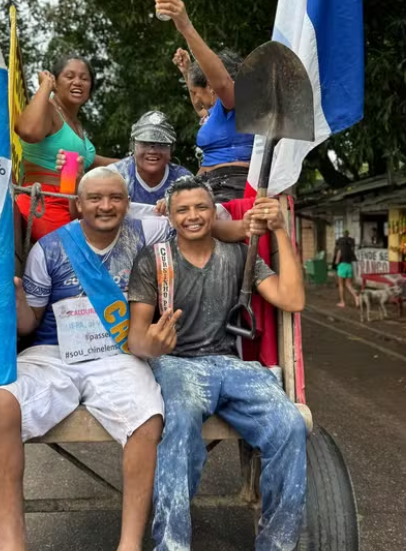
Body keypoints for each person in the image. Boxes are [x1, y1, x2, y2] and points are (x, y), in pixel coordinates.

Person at [0, 167, 267, 550]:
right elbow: (31, 324)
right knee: (3, 404)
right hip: (54, 353)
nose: (105, 206)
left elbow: (200, 227)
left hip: (118, 355)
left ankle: (129, 544)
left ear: (128, 204)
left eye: (115, 198)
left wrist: (243, 230)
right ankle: (11, 542)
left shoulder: (149, 232)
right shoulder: (49, 249)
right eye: (95, 198)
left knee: (147, 418)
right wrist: (20, 302)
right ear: (79, 205)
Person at [127, 176, 306, 550]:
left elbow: (291, 299)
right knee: (179, 425)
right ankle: (171, 545)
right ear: (171, 217)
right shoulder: (155, 259)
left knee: (290, 424)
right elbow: (136, 337)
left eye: (201, 207)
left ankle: (277, 544)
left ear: (213, 211)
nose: (193, 216)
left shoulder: (239, 255)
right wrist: (155, 343)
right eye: (183, 210)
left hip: (228, 363)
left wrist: (280, 232)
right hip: (175, 363)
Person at [156, 0, 255, 202]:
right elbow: (199, 107)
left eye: (197, 92)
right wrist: (187, 71)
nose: (197, 100)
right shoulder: (215, 113)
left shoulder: (236, 101)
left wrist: (185, 26)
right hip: (209, 186)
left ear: (211, 87)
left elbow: (222, 82)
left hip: (231, 190)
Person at [14, 55, 119, 241]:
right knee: (71, 262)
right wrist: (45, 85)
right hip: (44, 203)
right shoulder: (48, 109)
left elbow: (93, 162)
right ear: (56, 81)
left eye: (84, 78)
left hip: (74, 203)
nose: (77, 82)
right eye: (69, 76)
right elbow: (28, 131)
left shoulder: (76, 125)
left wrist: (141, 161)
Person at [109, 111, 192, 205]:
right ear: (132, 146)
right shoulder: (115, 176)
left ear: (172, 149)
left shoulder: (183, 179)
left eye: (162, 144)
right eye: (145, 143)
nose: (152, 151)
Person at [334, 230, 359, 308]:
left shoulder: (340, 250)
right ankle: (356, 297)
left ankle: (342, 302)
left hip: (342, 267)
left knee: (341, 285)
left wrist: (336, 262)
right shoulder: (350, 250)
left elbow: (337, 261)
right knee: (348, 285)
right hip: (349, 266)